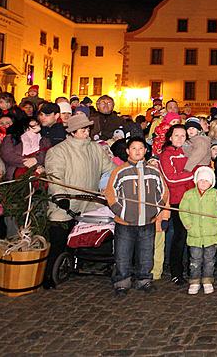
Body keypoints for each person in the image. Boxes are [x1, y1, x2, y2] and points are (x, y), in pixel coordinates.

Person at [44, 112, 116, 289]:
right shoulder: (58, 151)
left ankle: (77, 263)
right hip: (65, 203)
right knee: (59, 241)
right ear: (73, 132)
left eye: (88, 129)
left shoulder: (95, 148)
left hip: (89, 202)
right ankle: (49, 275)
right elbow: (55, 177)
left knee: (83, 237)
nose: (87, 133)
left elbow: (110, 168)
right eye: (83, 130)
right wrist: (60, 195)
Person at [104, 137, 168, 296]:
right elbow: (111, 194)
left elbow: (163, 192)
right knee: (123, 253)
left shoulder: (154, 172)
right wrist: (121, 211)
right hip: (125, 222)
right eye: (134, 148)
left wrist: (155, 209)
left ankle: (144, 280)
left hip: (148, 221)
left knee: (146, 252)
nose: (138, 151)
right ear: (127, 151)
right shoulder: (120, 171)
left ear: (146, 151)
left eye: (141, 148)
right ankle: (122, 282)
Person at [158, 124, 195, 286]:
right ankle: (176, 271)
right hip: (178, 200)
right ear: (170, 137)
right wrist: (193, 175)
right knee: (180, 236)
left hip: (194, 198)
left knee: (193, 235)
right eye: (177, 135)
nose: (180, 138)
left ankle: (192, 269)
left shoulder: (190, 151)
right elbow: (171, 179)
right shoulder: (166, 155)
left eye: (183, 135)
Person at [180, 166, 217, 295]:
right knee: (195, 259)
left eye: (206, 181)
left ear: (211, 182)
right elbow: (183, 211)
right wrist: (188, 224)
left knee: (209, 259)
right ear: (196, 180)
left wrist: (216, 223)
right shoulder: (189, 194)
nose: (203, 183)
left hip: (211, 234)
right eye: (201, 180)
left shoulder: (215, 194)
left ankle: (207, 280)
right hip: (195, 234)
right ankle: (194, 281)